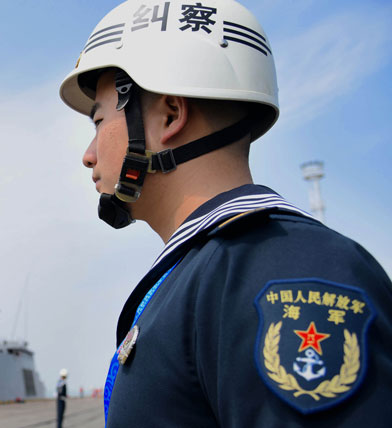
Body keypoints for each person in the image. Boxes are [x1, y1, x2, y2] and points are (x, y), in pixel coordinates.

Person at [58, 1, 392, 426]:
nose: (88, 156)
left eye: (98, 119)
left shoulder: (280, 271)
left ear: (170, 115)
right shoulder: (212, 272)